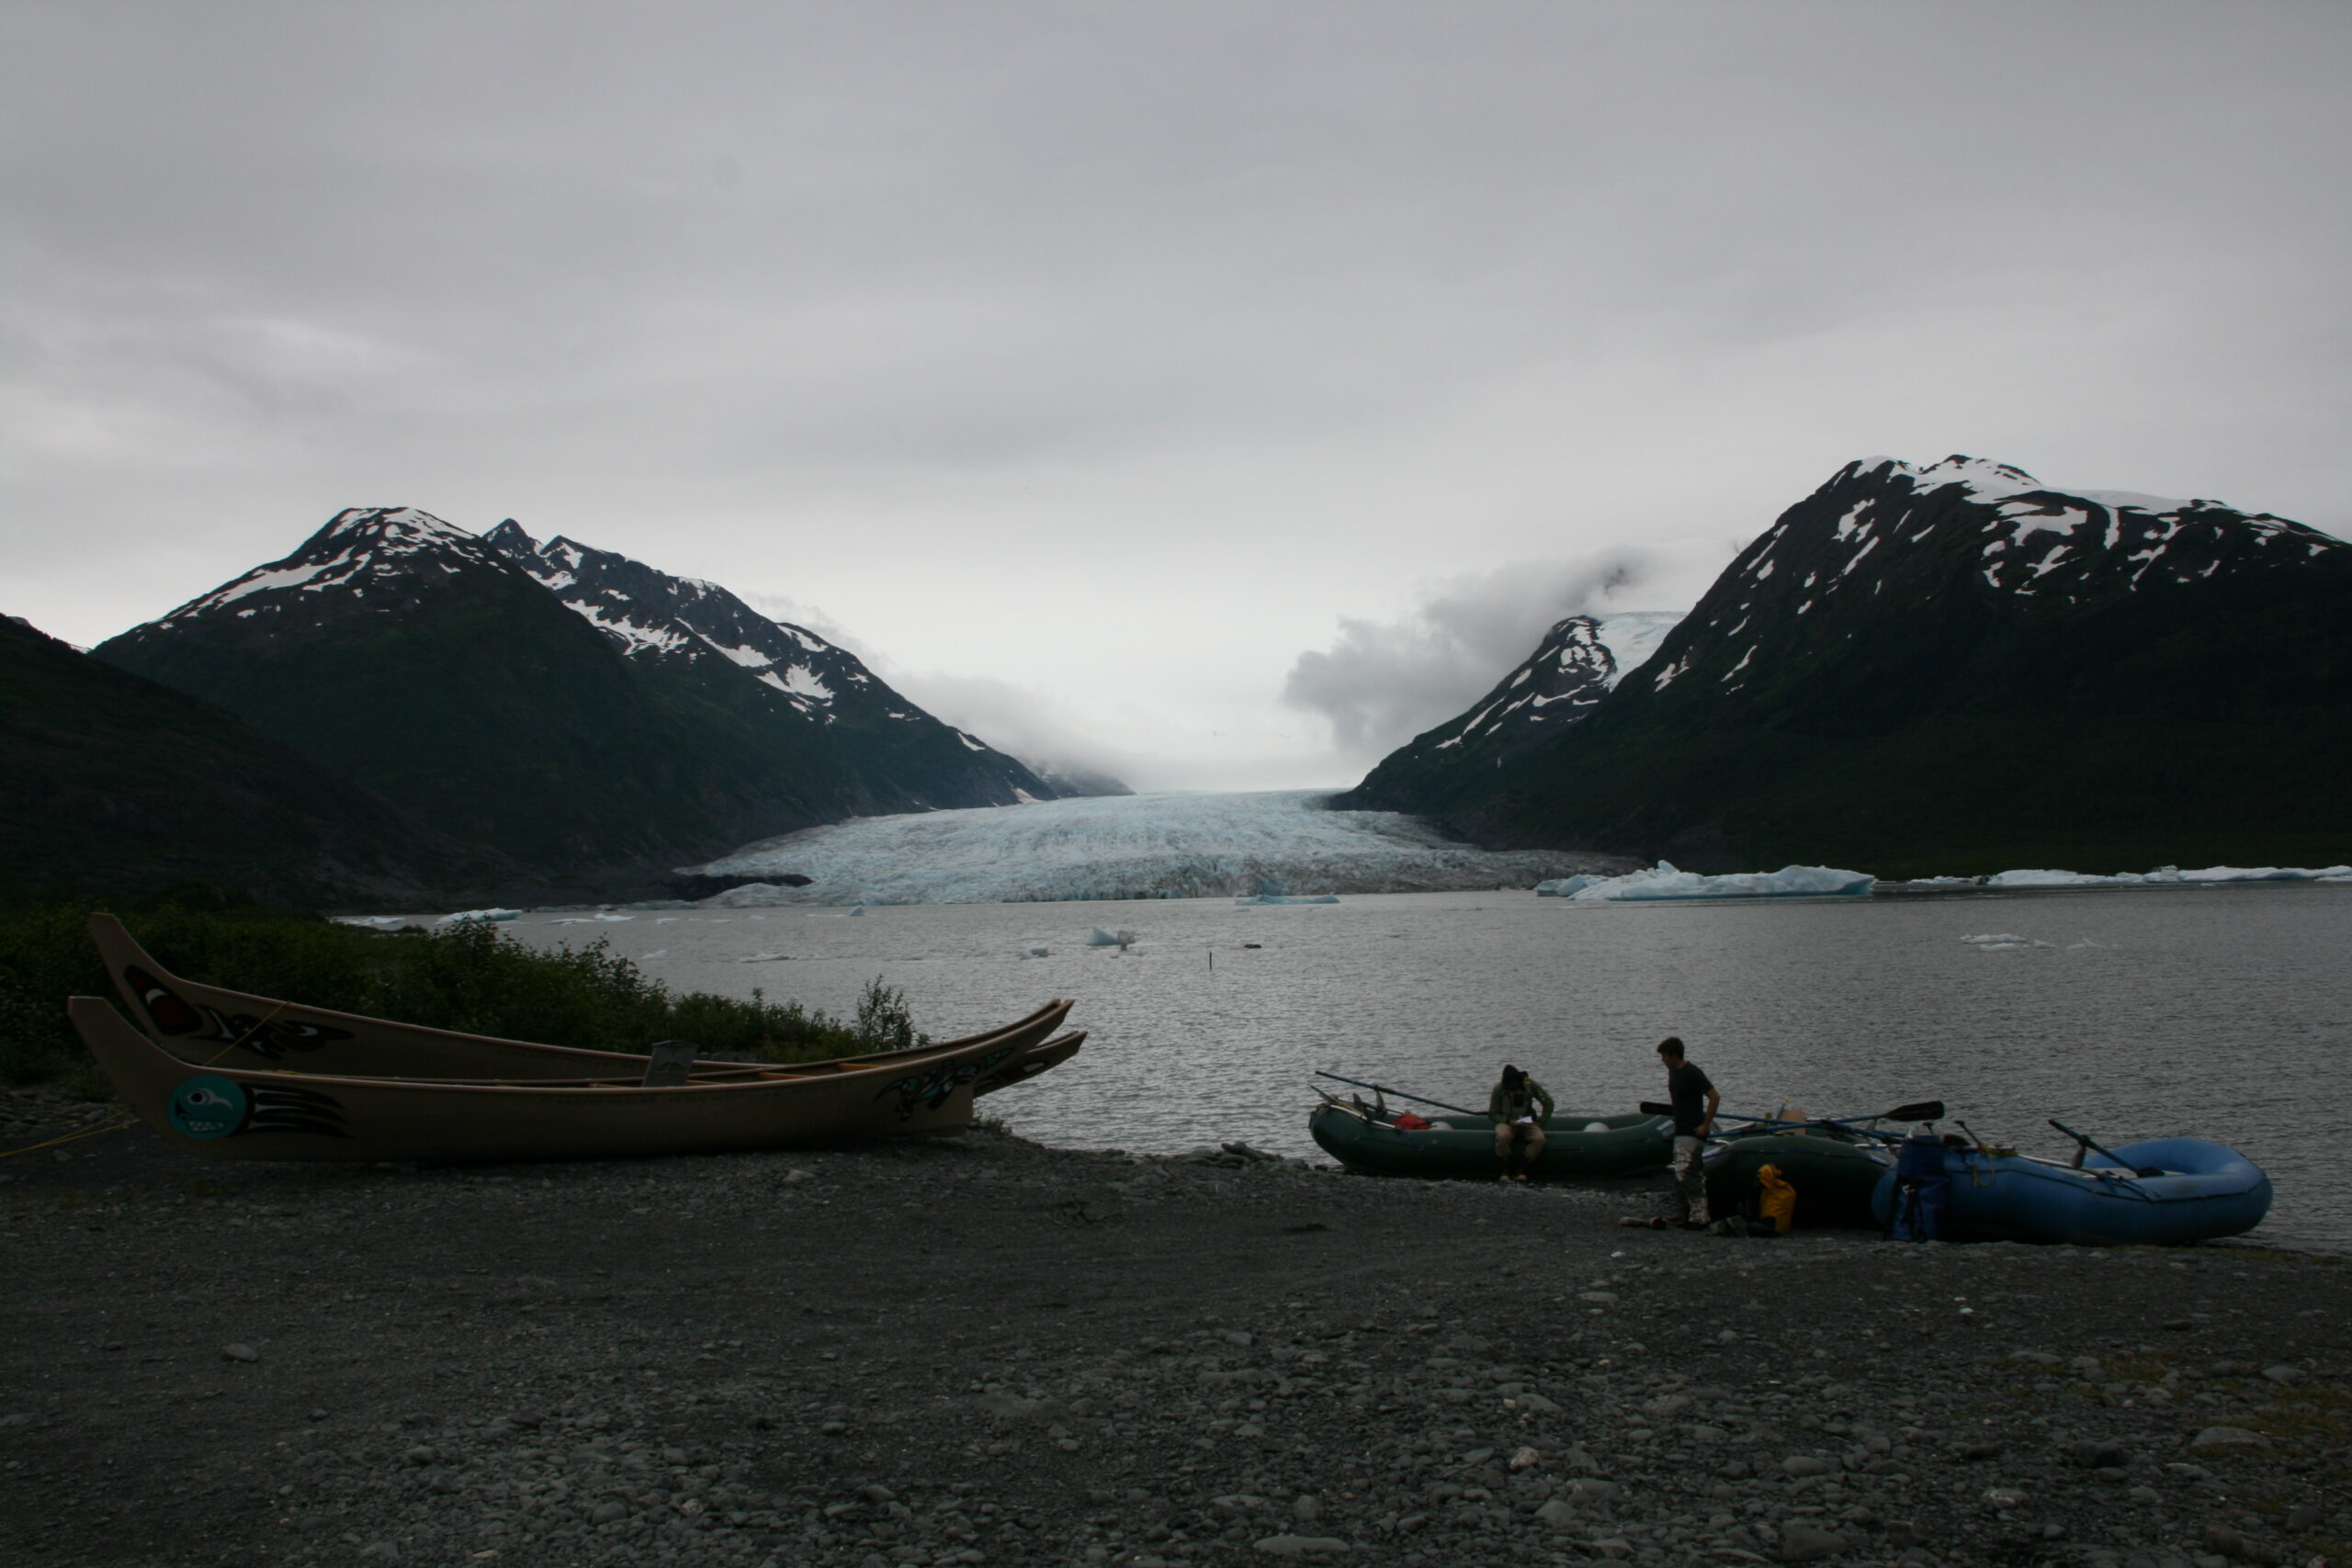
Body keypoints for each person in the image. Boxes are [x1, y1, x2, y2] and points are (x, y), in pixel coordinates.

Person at [1657, 1036, 1718, 1227]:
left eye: (1664, 1056)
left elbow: (1714, 1096)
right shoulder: (1673, 1073)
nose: (1662, 1060)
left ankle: (1700, 1216)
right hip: (1681, 1129)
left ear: (1673, 1055)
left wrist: (1705, 1125)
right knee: (1680, 1174)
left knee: (1687, 1173)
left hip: (1693, 1131)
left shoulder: (1692, 1072)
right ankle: (1682, 1213)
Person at [1487, 1064, 1555, 1182]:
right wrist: (1507, 1121)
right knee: (1502, 1136)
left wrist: (1540, 1123)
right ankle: (1505, 1168)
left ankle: (1523, 1169)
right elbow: (1493, 1114)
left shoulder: (1530, 1085)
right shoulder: (1499, 1090)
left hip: (1526, 1120)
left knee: (1539, 1139)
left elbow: (1548, 1102)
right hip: (1507, 1121)